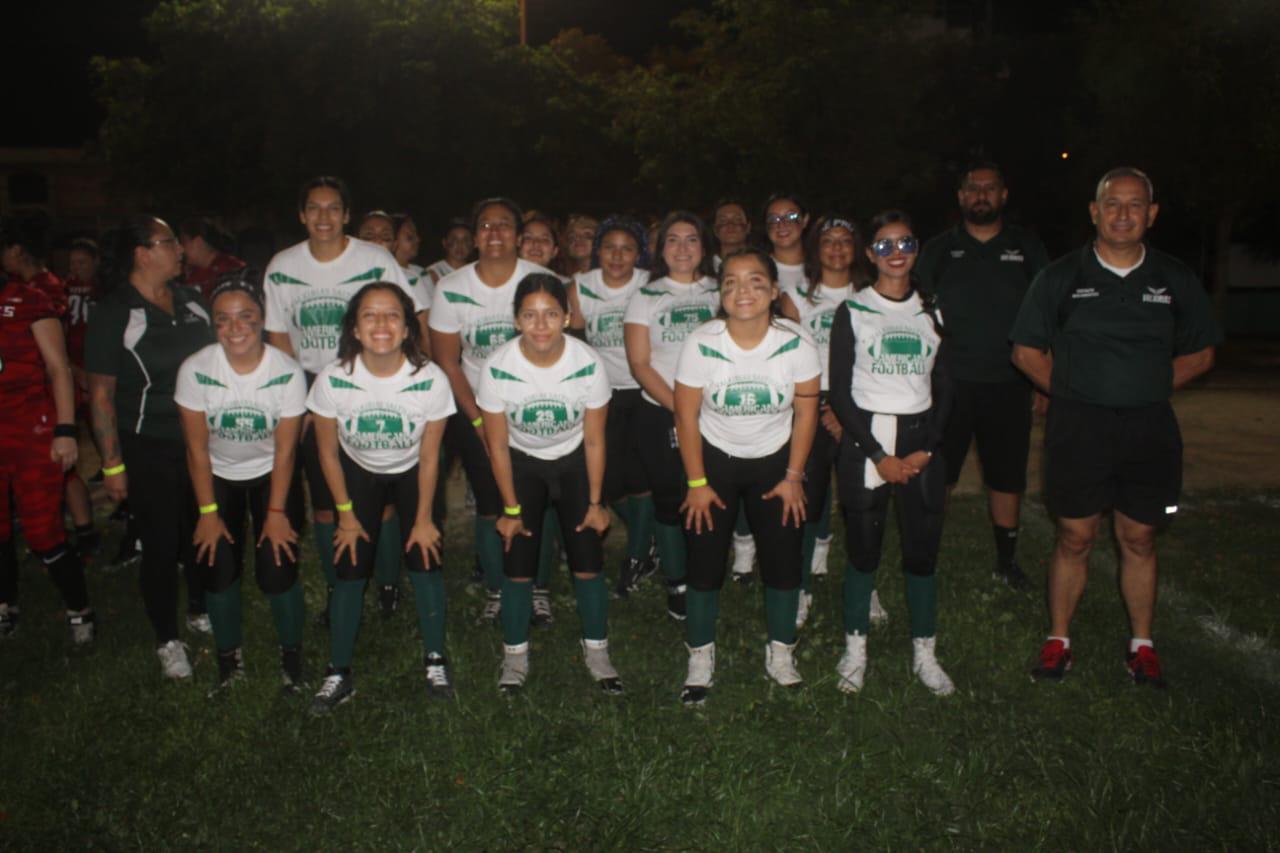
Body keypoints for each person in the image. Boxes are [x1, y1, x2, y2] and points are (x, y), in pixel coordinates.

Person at [1011, 167, 1220, 687]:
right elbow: (1025, 351)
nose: (1123, 214)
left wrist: (1146, 386)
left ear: (1151, 214)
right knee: (1075, 535)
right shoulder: (1061, 276)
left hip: (1149, 427)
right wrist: (1076, 392)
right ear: (1094, 211)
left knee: (1140, 536)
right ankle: (1059, 639)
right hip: (1078, 426)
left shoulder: (1173, 277)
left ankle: (1142, 645)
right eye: (1112, 204)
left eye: (1134, 205)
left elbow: (1202, 352)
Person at [263, 177, 423, 628]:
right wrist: (302, 404)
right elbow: (279, 343)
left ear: (347, 214)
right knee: (326, 500)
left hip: (374, 379)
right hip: (316, 385)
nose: (324, 217)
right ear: (301, 214)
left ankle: (388, 582)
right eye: (314, 208)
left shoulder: (374, 259)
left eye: (334, 208)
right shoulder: (282, 266)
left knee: (380, 491)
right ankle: (339, 589)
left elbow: (403, 317)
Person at [673, 248, 821, 703]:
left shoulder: (797, 342)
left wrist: (794, 475)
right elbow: (685, 414)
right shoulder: (702, 341)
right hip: (715, 456)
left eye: (756, 281)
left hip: (775, 460)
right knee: (704, 559)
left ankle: (781, 653)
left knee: (782, 557)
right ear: (720, 294)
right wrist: (697, 484)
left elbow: (806, 409)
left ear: (774, 291)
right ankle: (700, 656)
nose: (744, 291)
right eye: (732, 282)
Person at [306, 283, 455, 712]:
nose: (381, 324)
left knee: (425, 556)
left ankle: (435, 659)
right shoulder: (334, 378)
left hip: (412, 469)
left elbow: (430, 458)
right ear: (354, 327)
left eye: (392, 315)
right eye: (369, 315)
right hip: (357, 470)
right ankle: (338, 671)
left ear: (408, 327)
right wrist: (346, 516)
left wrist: (424, 518)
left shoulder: (429, 379)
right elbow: (328, 454)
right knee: (350, 564)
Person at [828, 210, 955, 696]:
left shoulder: (933, 311)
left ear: (916, 249)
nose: (896, 253)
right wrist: (878, 454)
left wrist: (926, 449)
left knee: (922, 553)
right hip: (867, 442)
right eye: (884, 245)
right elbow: (840, 393)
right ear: (870, 254)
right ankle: (855, 648)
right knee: (863, 551)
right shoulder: (854, 311)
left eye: (904, 243)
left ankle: (925, 653)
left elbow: (946, 386)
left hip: (921, 439)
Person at [477, 274, 620, 693]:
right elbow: (498, 446)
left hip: (575, 460)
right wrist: (510, 509)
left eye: (551, 314)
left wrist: (596, 502)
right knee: (518, 564)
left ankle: (597, 651)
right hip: (522, 464)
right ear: (516, 319)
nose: (541, 325)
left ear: (567, 317)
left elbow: (595, 438)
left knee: (587, 561)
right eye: (530, 315)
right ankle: (515, 657)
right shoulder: (498, 366)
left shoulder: (587, 362)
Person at [85, 215, 215, 677]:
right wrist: (113, 464)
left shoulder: (193, 302)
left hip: (201, 441)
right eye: (169, 242)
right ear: (142, 253)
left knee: (202, 524)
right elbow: (100, 394)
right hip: (149, 443)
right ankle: (168, 638)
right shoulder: (116, 312)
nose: (180, 249)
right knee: (161, 541)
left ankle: (201, 606)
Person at [917, 163, 1050, 590]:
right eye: (973, 188)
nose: (981, 195)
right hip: (949, 383)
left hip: (1010, 382)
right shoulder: (937, 251)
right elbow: (915, 313)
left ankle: (1006, 561)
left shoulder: (1027, 248)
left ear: (1003, 195)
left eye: (989, 188)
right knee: (941, 474)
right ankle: (927, 556)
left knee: (1007, 474)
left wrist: (1045, 379)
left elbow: (1048, 315)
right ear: (960, 197)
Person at [175, 272, 308, 693]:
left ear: (262, 318)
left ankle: (292, 657)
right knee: (217, 568)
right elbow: (196, 450)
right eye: (223, 320)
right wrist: (208, 513)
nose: (235, 329)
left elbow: (286, 451)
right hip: (218, 475)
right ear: (213, 324)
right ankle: (229, 661)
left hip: (272, 474)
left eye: (245, 317)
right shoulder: (195, 370)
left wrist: (275, 514)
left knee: (277, 568)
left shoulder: (287, 371)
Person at [428, 197, 552, 622]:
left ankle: (538, 587)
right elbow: (447, 360)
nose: (494, 233)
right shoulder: (452, 287)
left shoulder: (542, 279)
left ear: (519, 237)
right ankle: (498, 588)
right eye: (485, 225)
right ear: (475, 236)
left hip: (536, 405)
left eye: (504, 225)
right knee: (488, 500)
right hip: (475, 404)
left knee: (535, 497)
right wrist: (478, 419)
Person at [0, 220, 95, 643]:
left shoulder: (29, 300)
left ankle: (80, 610)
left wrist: (65, 429)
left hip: (31, 428)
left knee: (42, 531)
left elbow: (59, 369)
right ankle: (6, 604)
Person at [623, 211, 721, 621]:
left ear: (704, 247)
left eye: (692, 239)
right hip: (660, 409)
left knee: (710, 494)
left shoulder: (721, 290)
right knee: (669, 497)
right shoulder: (645, 296)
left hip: (717, 411)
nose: (683, 248)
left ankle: (705, 574)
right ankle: (677, 581)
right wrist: (681, 409)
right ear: (660, 250)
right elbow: (640, 364)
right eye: (673, 240)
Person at [778, 214, 864, 627]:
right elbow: (793, 358)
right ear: (815, 248)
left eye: (845, 241)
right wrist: (822, 407)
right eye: (827, 240)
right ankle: (802, 590)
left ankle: (867, 587)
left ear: (857, 248)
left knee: (862, 503)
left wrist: (849, 412)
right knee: (807, 499)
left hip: (861, 404)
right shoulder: (795, 296)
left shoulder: (868, 292)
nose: (836, 248)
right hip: (813, 401)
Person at [567, 215, 656, 598]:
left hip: (644, 388)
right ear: (597, 250)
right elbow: (577, 343)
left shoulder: (649, 285)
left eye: (627, 249)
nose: (617, 256)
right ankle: (650, 536)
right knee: (610, 481)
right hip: (602, 394)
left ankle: (638, 557)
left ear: (639, 254)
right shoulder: (580, 287)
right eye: (609, 247)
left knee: (642, 478)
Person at [727, 192, 813, 583]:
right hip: (765, 381)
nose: (783, 223)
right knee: (753, 464)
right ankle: (745, 551)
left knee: (807, 476)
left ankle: (813, 558)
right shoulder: (752, 267)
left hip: (813, 385)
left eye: (791, 216)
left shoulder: (818, 268)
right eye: (774, 217)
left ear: (805, 221)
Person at [62, 238, 103, 562]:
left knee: (105, 432)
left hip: (99, 374)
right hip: (73, 373)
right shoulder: (63, 291)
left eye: (82, 262)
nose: (76, 269)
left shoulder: (104, 291)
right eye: (72, 263)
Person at [179, 217, 247, 302]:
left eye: (183, 242)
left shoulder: (232, 269)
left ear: (198, 242)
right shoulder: (191, 272)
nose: (180, 249)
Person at [426, 218, 474, 285]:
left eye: (465, 240)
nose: (460, 244)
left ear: (473, 244)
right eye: (454, 239)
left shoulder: (476, 271)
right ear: (444, 243)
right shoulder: (433, 272)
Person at [518, 212, 563, 278]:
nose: (536, 243)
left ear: (555, 251)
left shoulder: (565, 286)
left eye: (544, 240)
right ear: (517, 243)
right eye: (528, 238)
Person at [710, 199, 751, 270]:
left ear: (748, 227)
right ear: (715, 229)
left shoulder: (762, 264)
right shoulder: (705, 268)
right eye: (723, 221)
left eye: (737, 219)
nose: (730, 225)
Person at [558, 214, 598, 278]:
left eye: (587, 234)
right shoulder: (565, 283)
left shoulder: (611, 277)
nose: (578, 239)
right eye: (572, 236)